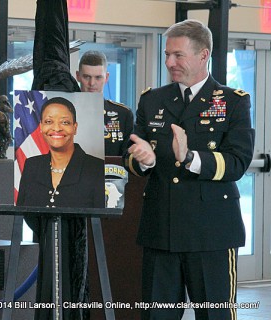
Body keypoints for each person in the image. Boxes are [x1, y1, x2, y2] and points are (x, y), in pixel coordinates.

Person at [124, 20, 255, 320]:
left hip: (211, 235)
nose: (170, 62)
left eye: (178, 55)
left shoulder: (233, 103)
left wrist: (190, 157)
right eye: (167, 54)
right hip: (161, 232)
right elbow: (131, 156)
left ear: (203, 55)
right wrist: (144, 159)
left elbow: (237, 162)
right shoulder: (152, 100)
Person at [17, 97, 104, 320]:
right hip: (47, 250)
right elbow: (26, 210)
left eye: (64, 122)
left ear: (75, 127)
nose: (56, 128)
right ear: (41, 127)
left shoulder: (95, 168)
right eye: (48, 121)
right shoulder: (32, 166)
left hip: (83, 257)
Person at [76, 50, 134, 156]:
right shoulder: (65, 112)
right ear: (78, 76)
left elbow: (128, 159)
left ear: (106, 77)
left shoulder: (123, 114)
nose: (92, 83)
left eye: (98, 77)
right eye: (87, 77)